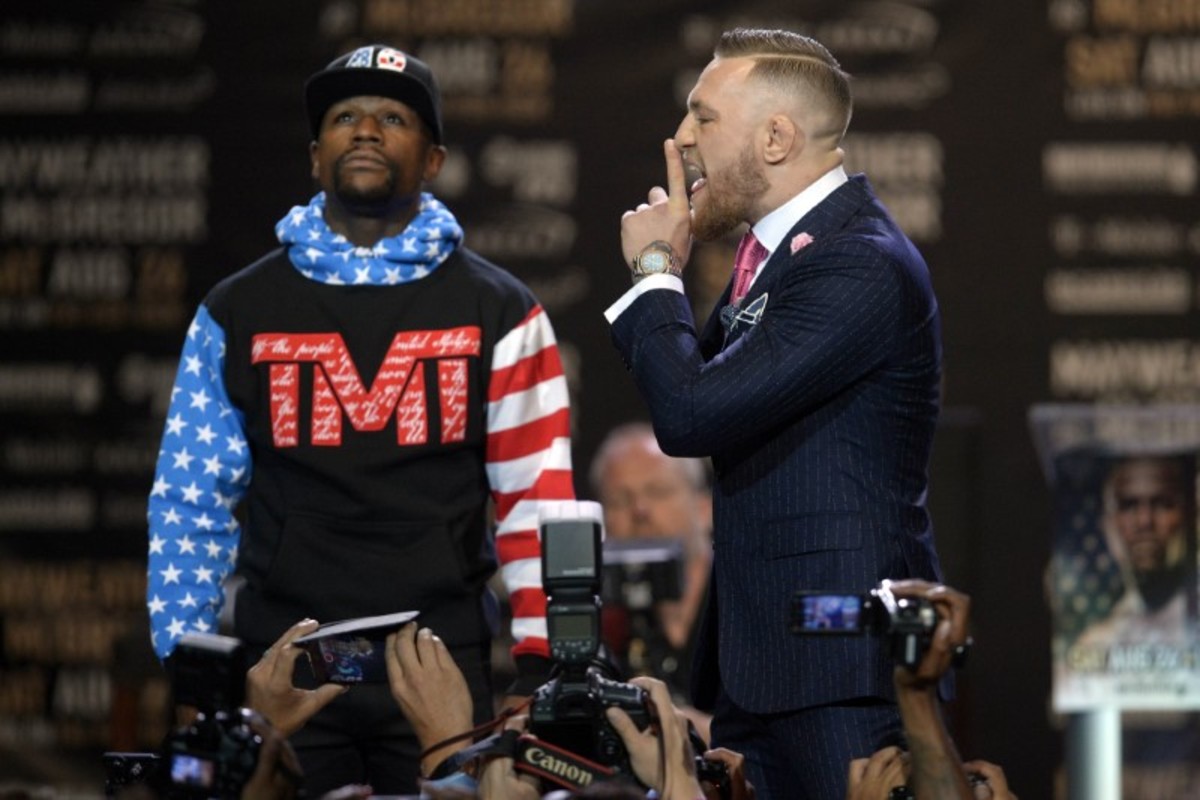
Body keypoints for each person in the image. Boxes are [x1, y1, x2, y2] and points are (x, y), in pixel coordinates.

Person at [145, 43, 574, 795]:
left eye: (393, 118)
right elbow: (190, 501)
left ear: (434, 159)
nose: (367, 130)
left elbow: (535, 501)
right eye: (345, 117)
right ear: (316, 157)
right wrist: (193, 669)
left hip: (440, 671)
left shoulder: (502, 311)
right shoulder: (237, 311)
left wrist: (540, 668)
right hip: (285, 670)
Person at [608, 27, 947, 800]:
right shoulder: (781, 260)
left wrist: (656, 270)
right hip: (764, 673)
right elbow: (691, 392)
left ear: (775, 138)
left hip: (839, 675)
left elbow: (689, 414)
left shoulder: (857, 263)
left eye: (703, 117)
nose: (682, 138)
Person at [589, 422, 712, 696]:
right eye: (620, 500)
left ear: (704, 508)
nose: (639, 510)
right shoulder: (599, 630)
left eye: (658, 492)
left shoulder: (749, 602)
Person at [1075, 454, 1195, 648]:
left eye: (1162, 503)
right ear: (1107, 524)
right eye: (1128, 505)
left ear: (1190, 517)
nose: (1144, 521)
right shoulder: (1096, 645)